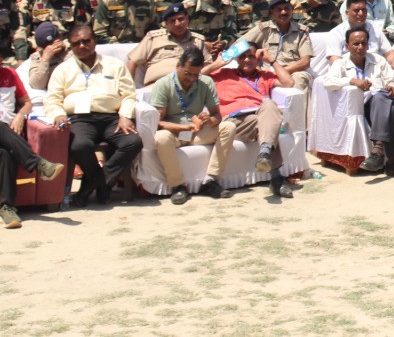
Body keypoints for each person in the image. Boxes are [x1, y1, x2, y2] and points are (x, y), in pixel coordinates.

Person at [43, 24, 141, 207]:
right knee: (79, 145)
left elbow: (129, 95)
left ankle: (90, 186)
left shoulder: (115, 65)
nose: (81, 46)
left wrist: (125, 115)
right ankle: (103, 185)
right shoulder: (63, 69)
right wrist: (58, 114)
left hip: (112, 118)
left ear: (94, 41)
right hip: (80, 119)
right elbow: (52, 99)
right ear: (71, 47)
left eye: (86, 41)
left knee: (133, 142)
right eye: (76, 43)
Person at [204, 43, 297, 197]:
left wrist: (271, 60)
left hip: (256, 118)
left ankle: (265, 153)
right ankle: (276, 177)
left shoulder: (264, 76)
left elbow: (289, 82)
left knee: (268, 105)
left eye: (251, 56)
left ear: (258, 58)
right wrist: (217, 63)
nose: (247, 60)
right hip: (232, 121)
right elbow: (195, 77)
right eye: (242, 56)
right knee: (269, 124)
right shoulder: (223, 74)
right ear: (236, 59)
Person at [320, 23, 394, 178]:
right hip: (362, 107)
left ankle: (377, 151)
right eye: (355, 44)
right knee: (391, 110)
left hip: (382, 103)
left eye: (363, 43)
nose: (360, 47)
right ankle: (392, 164)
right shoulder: (341, 63)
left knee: (383, 98)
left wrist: (391, 87)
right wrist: (352, 81)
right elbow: (327, 82)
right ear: (347, 46)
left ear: (368, 45)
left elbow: (392, 81)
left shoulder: (378, 60)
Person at [147, 46, 225, 204]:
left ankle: (210, 180)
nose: (191, 79)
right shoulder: (163, 84)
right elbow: (156, 122)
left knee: (228, 128)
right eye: (187, 73)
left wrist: (209, 121)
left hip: (197, 132)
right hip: (174, 133)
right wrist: (184, 128)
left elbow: (217, 114)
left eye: (196, 75)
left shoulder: (206, 82)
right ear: (178, 66)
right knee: (161, 138)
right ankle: (178, 186)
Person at [0, 60, 66, 228]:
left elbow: (27, 103)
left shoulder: (9, 74)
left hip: (8, 135)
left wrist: (21, 115)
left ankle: (6, 208)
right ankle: (38, 164)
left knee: (5, 154)